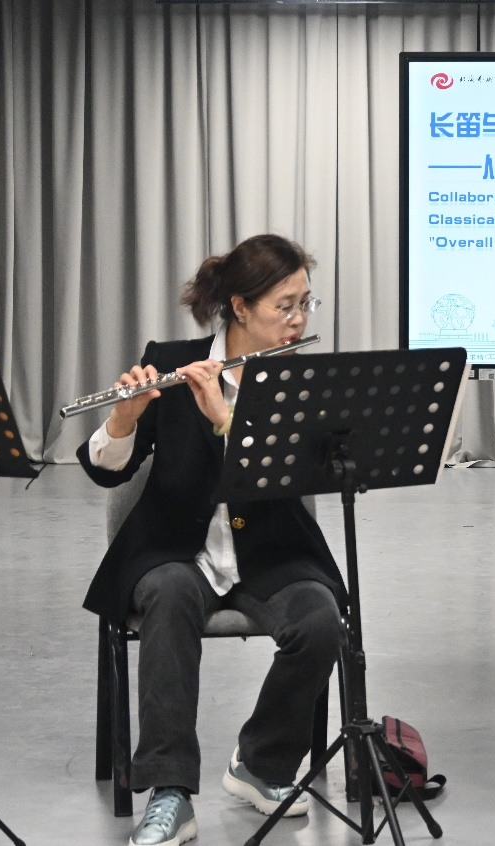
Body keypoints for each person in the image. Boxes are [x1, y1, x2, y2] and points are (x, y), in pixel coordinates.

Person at [78, 234, 346, 846]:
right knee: (169, 597)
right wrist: (122, 419)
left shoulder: (299, 379)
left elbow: (305, 478)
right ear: (241, 307)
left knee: (320, 621)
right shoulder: (171, 360)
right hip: (177, 549)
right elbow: (107, 471)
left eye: (305, 303)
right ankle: (170, 793)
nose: (299, 319)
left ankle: (262, 763)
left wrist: (227, 421)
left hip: (271, 552)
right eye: (285, 305)